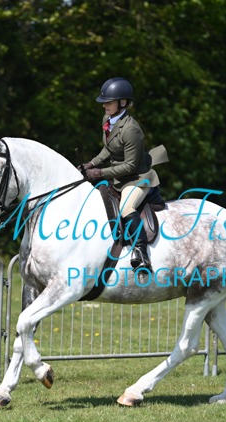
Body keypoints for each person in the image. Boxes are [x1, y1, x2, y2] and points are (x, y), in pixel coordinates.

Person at [78, 77, 161, 276]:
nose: (104, 105)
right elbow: (108, 149)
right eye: (104, 102)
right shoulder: (107, 120)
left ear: (122, 102)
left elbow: (130, 166)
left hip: (137, 178)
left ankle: (141, 252)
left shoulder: (131, 130)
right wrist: (91, 164)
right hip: (119, 176)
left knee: (126, 207)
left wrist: (100, 172)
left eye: (109, 102)